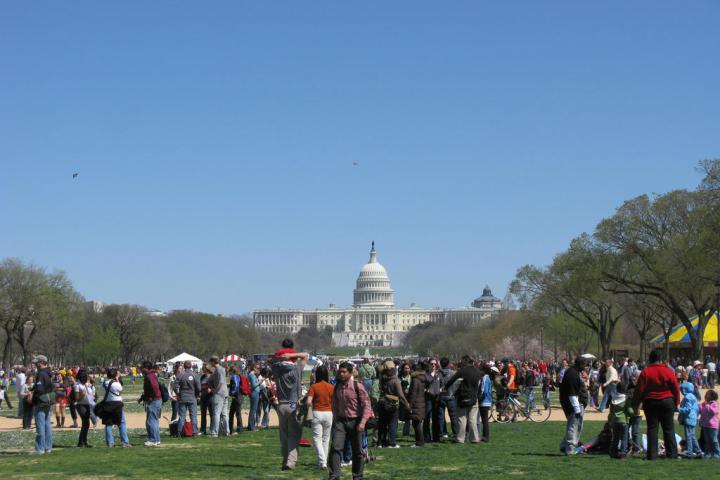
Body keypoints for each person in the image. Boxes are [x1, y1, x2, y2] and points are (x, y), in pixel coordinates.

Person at [631, 350, 680, 460]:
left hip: (651, 402)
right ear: (661, 359)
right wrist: (677, 402)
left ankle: (652, 455)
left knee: (652, 429)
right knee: (669, 428)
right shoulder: (668, 371)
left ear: (650, 359)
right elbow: (675, 387)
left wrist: (635, 403)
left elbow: (639, 390)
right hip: (667, 401)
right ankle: (672, 454)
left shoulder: (646, 372)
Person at [328, 361, 373, 480]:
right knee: (335, 448)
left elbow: (367, 406)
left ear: (350, 373)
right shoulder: (337, 387)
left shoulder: (357, 386)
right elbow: (335, 404)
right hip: (341, 422)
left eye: (344, 372)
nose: (341, 374)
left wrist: (362, 422)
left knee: (357, 451)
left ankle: (357, 476)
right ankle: (334, 475)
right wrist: (336, 418)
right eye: (340, 372)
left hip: (356, 421)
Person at [271, 339, 308, 470]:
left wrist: (281, 356)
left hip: (281, 404)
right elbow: (305, 355)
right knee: (294, 435)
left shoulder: (277, 369)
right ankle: (290, 462)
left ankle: (284, 459)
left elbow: (271, 359)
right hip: (293, 404)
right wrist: (291, 355)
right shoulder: (297, 368)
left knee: (284, 435)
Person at [444, 355, 481, 444]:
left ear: (465, 361)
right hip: (473, 398)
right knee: (472, 419)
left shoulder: (462, 371)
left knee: (462, 419)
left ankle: (460, 438)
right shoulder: (477, 371)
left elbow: (452, 380)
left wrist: (445, 388)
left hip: (463, 398)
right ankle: (474, 438)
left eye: (462, 361)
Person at [376, 359, 409, 448]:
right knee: (392, 424)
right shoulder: (395, 380)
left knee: (382, 424)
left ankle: (381, 442)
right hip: (392, 404)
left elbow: (379, 367)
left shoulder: (382, 378)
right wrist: (406, 404)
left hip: (382, 402)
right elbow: (400, 395)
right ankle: (392, 442)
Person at [559, 356, 588, 455]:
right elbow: (572, 393)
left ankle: (564, 445)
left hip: (575, 403)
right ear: (580, 364)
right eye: (584, 365)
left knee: (577, 426)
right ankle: (570, 448)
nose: (585, 367)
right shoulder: (572, 374)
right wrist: (577, 409)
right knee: (574, 426)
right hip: (574, 405)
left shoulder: (573, 372)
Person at [306, 365, 334, 469]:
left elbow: (308, 402)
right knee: (326, 439)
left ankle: (322, 461)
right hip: (329, 413)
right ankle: (323, 462)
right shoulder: (331, 387)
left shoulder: (314, 386)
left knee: (317, 439)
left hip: (317, 413)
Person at [31, 355, 54, 454]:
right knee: (47, 425)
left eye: (36, 362)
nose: (35, 364)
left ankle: (40, 448)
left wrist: (33, 394)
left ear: (41, 362)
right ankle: (48, 447)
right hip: (48, 400)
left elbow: (40, 389)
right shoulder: (49, 373)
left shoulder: (40, 374)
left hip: (41, 401)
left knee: (40, 425)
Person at [103, 368, 130, 448]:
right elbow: (120, 390)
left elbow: (102, 390)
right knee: (121, 423)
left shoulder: (104, 383)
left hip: (107, 404)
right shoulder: (116, 384)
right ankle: (125, 442)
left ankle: (110, 443)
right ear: (115, 375)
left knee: (108, 424)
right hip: (117, 404)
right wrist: (117, 379)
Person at [139, 360, 162, 447]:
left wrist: (151, 398)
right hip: (155, 400)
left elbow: (155, 387)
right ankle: (157, 439)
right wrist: (143, 398)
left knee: (151, 421)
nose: (141, 369)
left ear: (146, 368)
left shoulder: (150, 376)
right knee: (154, 421)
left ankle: (153, 440)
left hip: (154, 401)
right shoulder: (151, 375)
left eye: (142, 367)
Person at [175, 360, 201, 437]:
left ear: (184, 366)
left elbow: (175, 386)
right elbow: (199, 388)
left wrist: (178, 394)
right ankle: (195, 432)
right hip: (192, 397)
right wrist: (197, 394)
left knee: (182, 416)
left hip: (183, 397)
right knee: (193, 416)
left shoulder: (180, 375)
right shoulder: (194, 375)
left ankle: (179, 432)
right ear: (191, 366)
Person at [406, 362, 429, 447]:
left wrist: (410, 405)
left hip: (416, 403)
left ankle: (419, 442)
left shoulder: (415, 379)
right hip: (421, 402)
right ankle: (419, 441)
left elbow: (413, 393)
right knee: (418, 422)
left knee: (416, 423)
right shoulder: (422, 378)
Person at [678, 379, 702, 458]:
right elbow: (696, 408)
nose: (681, 391)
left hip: (688, 419)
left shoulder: (688, 397)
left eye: (681, 390)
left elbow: (688, 409)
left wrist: (679, 409)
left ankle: (689, 452)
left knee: (688, 436)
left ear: (685, 390)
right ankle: (698, 452)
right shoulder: (693, 396)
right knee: (692, 436)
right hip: (693, 418)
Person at [208, 355, 229, 437]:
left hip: (219, 394)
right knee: (224, 414)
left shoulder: (219, 370)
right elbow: (210, 379)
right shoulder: (220, 369)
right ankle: (226, 431)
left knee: (216, 413)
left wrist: (215, 390)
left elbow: (221, 382)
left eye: (211, 362)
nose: (210, 363)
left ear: (213, 362)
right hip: (225, 393)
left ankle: (214, 432)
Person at [437, 357, 457, 440]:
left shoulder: (438, 373)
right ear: (448, 364)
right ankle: (455, 433)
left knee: (441, 417)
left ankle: (441, 433)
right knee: (453, 416)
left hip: (441, 396)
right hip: (451, 396)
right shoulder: (453, 373)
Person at [73, 370, 92, 447]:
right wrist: (82, 394)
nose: (86, 378)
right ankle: (81, 442)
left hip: (87, 404)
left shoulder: (84, 384)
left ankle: (84, 441)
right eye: (85, 377)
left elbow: (93, 380)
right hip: (81, 405)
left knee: (86, 424)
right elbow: (77, 398)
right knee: (85, 423)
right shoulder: (77, 385)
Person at [699, 389, 720, 458]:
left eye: (707, 394)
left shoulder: (715, 404)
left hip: (713, 426)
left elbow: (713, 412)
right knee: (707, 441)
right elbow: (702, 412)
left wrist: (707, 405)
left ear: (711, 396)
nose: (705, 396)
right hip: (705, 425)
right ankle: (708, 454)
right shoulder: (705, 404)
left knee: (714, 440)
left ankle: (717, 454)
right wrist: (701, 406)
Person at [477, 364, 494, 443]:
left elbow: (484, 390)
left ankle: (485, 437)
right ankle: (485, 436)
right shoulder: (487, 377)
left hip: (484, 401)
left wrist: (479, 399)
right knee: (484, 420)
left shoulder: (485, 378)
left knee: (484, 420)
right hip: (487, 401)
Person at [228, 365, 243, 435]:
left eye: (229, 371)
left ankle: (239, 429)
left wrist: (231, 393)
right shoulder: (237, 376)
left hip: (237, 397)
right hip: (237, 396)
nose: (229, 373)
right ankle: (230, 429)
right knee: (232, 413)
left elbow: (236, 386)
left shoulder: (234, 376)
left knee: (237, 414)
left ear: (232, 371)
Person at [199, 365, 214, 435]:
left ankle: (212, 429)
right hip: (203, 397)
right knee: (203, 414)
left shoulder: (212, 376)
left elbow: (216, 386)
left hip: (210, 397)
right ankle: (203, 430)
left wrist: (211, 389)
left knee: (212, 414)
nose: (202, 369)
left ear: (207, 369)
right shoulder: (202, 377)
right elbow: (200, 386)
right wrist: (199, 392)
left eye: (203, 368)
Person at [248, 362, 262, 431]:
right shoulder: (252, 375)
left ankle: (250, 425)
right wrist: (260, 381)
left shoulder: (252, 375)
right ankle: (252, 427)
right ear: (254, 368)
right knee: (253, 410)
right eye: (258, 368)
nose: (259, 369)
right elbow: (254, 385)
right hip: (254, 393)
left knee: (253, 410)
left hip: (254, 392)